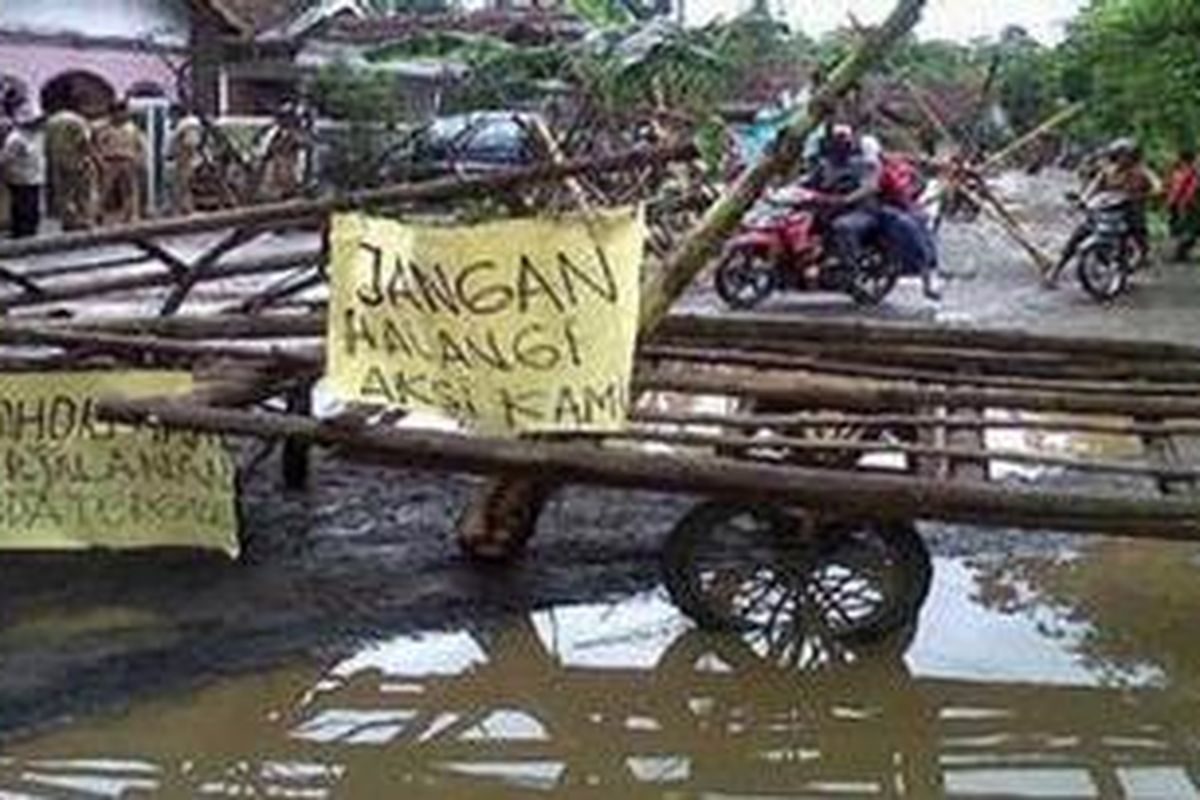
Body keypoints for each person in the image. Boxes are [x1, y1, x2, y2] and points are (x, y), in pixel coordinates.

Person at [1050, 137, 1161, 287]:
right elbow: (1094, 186)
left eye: (1126, 155)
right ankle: (1056, 269)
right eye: (1120, 155)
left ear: (1134, 156)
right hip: (1105, 210)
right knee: (1079, 233)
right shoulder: (1108, 171)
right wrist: (1083, 200)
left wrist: (1150, 193)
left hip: (1130, 211)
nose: (1123, 159)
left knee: (1138, 232)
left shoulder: (1142, 172)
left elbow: (1157, 185)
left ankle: (1138, 258)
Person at [44, 100, 97, 230]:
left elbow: (46, 144)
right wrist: (92, 159)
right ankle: (84, 220)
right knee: (83, 193)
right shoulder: (78, 121)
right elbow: (84, 142)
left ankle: (68, 221)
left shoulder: (51, 121)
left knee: (63, 194)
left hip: (57, 162)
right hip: (78, 161)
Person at [92, 99, 146, 225]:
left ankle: (131, 215)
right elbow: (94, 146)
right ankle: (97, 214)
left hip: (128, 160)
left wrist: (139, 159)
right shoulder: (102, 128)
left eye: (124, 112)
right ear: (113, 113)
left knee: (130, 189)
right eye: (119, 112)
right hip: (110, 161)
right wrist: (99, 161)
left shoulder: (132, 128)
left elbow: (139, 145)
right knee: (105, 189)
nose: (122, 115)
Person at [0, 110, 46, 238]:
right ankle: (21, 230)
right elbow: (6, 158)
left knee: (32, 204)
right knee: (21, 204)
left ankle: (31, 228)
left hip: (34, 176)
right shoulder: (16, 138)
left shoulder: (37, 136)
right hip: (20, 177)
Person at [257, 102, 307, 202]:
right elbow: (264, 150)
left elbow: (301, 157)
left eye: (288, 118)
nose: (286, 121)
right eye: (283, 117)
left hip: (289, 168)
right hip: (275, 168)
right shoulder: (273, 132)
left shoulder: (297, 135)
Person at [169, 105, 204, 215]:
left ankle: (186, 209)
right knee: (182, 187)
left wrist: (185, 160)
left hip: (187, 161)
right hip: (182, 161)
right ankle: (185, 208)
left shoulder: (188, 125)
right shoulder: (182, 126)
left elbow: (190, 145)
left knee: (183, 186)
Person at [1166, 147, 1199, 262]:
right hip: (1186, 204)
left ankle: (1180, 252)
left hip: (1187, 204)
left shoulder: (1190, 171)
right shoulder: (1184, 171)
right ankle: (1180, 253)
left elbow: (1190, 188)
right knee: (1187, 229)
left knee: (1189, 229)